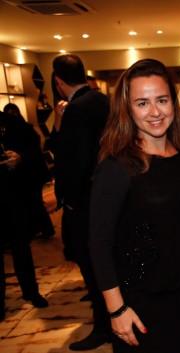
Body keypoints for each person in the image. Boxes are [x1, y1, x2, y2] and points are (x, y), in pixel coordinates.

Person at [89, 58, 180, 353]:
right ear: (127, 110)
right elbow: (98, 245)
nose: (155, 112)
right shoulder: (116, 168)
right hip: (143, 305)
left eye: (162, 100)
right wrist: (116, 311)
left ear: (173, 102)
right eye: (142, 103)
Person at [47, 54, 111, 350]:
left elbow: (75, 162)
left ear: (58, 82)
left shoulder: (75, 109)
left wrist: (70, 202)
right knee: (106, 263)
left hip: (85, 202)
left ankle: (103, 327)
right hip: (108, 194)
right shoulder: (103, 101)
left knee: (92, 266)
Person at [1, 110, 48, 322]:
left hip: (13, 197)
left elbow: (34, 150)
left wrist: (20, 158)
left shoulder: (11, 123)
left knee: (21, 248)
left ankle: (31, 291)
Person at [3, 103, 54, 239]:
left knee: (35, 202)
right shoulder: (20, 128)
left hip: (32, 172)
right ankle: (43, 229)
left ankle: (45, 229)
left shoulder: (25, 129)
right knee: (34, 202)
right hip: (28, 173)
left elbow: (35, 151)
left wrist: (20, 157)